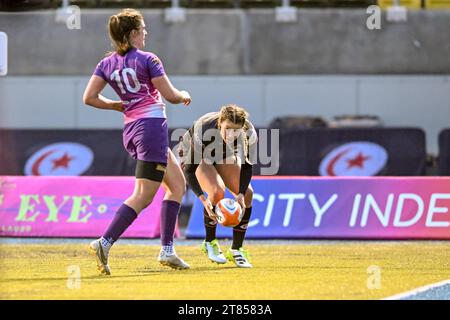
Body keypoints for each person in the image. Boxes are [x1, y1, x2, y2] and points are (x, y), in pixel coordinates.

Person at [83, 9, 191, 275]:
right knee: (143, 196)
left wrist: (117, 106)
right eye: (142, 28)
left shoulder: (105, 63)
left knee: (177, 186)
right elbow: (171, 95)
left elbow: (90, 98)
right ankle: (104, 242)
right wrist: (184, 94)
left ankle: (167, 251)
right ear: (132, 33)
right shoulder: (148, 59)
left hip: (132, 128)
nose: (146, 32)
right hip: (151, 127)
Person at [178, 104, 257, 268]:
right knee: (216, 192)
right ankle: (210, 242)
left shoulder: (249, 133)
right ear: (220, 122)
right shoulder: (204, 128)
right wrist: (203, 199)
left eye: (236, 131)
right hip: (194, 152)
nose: (231, 135)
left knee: (248, 193)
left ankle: (236, 249)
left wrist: (240, 194)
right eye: (227, 129)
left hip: (222, 153)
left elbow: (247, 166)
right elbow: (190, 170)